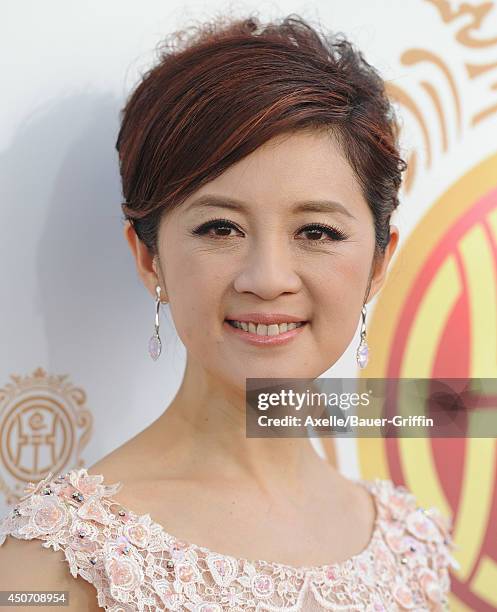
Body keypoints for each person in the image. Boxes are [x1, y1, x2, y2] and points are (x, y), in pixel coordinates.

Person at [0, 13, 457, 610]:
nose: (267, 279)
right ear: (149, 257)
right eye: (221, 227)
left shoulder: (410, 545)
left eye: (316, 231)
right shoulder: (53, 568)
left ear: (377, 263)